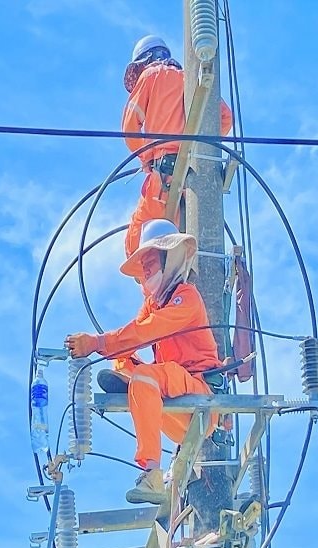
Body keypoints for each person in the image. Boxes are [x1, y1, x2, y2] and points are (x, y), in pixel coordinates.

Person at [65, 219, 220, 504]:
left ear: (169, 257)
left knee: (145, 376)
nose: (145, 270)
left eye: (150, 261)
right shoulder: (154, 303)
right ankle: (133, 387)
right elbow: (134, 333)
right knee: (125, 363)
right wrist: (115, 353)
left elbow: (146, 331)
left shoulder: (186, 298)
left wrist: (99, 343)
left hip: (199, 398)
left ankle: (151, 473)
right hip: (174, 402)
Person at [121, 35, 233, 258]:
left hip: (162, 177)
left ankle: (158, 290)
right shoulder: (191, 80)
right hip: (194, 183)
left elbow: (130, 127)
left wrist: (146, 159)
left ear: (147, 59)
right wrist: (200, 148)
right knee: (179, 245)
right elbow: (225, 117)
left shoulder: (151, 75)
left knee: (138, 246)